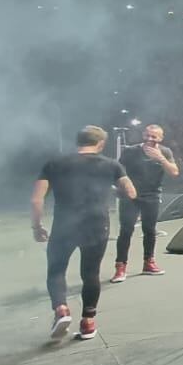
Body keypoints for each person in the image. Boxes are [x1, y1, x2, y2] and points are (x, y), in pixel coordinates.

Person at [32, 126, 137, 340]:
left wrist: (37, 226)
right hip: (97, 224)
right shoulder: (111, 165)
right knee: (90, 273)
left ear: (78, 141)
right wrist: (111, 190)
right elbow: (130, 192)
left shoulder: (54, 164)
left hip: (64, 225)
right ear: (100, 144)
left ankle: (61, 309)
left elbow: (36, 199)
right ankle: (88, 321)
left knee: (56, 270)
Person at [111, 124, 178, 282]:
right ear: (143, 135)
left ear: (160, 138)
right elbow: (117, 170)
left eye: (154, 136)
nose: (150, 139)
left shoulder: (165, 152)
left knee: (150, 230)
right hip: (130, 196)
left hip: (152, 196)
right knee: (126, 231)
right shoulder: (131, 151)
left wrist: (160, 158)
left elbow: (174, 172)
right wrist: (120, 187)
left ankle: (149, 263)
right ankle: (120, 267)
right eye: (147, 135)